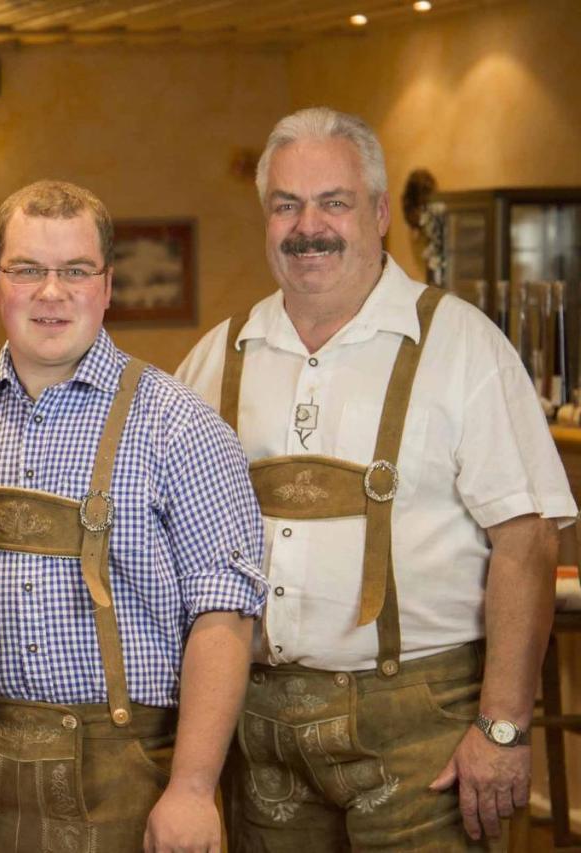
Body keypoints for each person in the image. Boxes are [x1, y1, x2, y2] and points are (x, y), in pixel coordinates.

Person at [176, 107, 576, 850]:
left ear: (381, 212)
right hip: (257, 730)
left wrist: (502, 726)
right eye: (286, 204)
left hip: (424, 726)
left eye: (334, 201)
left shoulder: (461, 345)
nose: (309, 226)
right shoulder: (216, 357)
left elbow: (527, 541)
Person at [0, 180, 266, 853]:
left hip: (130, 779)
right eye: (28, 269)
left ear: (108, 285)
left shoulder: (182, 427)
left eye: (75, 271)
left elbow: (225, 617)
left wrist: (193, 787)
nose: (51, 292)